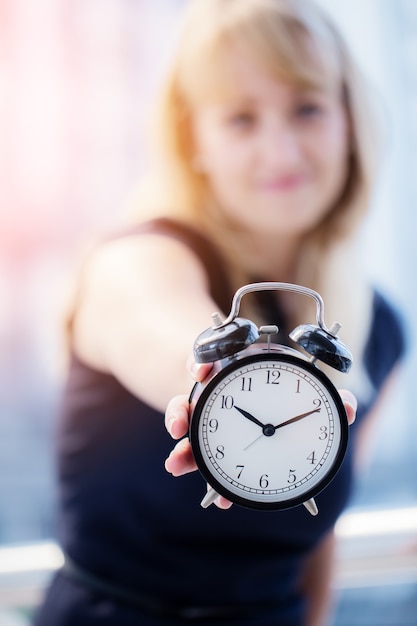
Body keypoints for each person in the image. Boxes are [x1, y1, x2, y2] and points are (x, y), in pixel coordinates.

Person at [33, 0, 405, 625]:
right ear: (192, 138)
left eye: (307, 108)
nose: (281, 150)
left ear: (349, 119)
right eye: (240, 119)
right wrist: (221, 374)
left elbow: (316, 546)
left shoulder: (378, 330)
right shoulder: (137, 259)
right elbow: (159, 324)